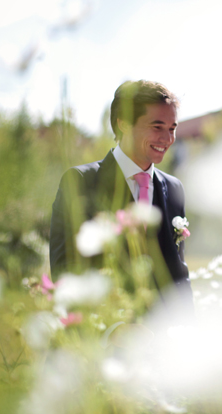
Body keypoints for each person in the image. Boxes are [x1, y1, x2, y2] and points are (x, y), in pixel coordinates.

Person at [49, 80, 193, 312]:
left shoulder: (175, 188)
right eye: (157, 127)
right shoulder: (80, 182)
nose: (167, 139)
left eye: (172, 128)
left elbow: (179, 273)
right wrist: (112, 328)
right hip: (107, 334)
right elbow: (64, 268)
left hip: (165, 338)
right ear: (123, 124)